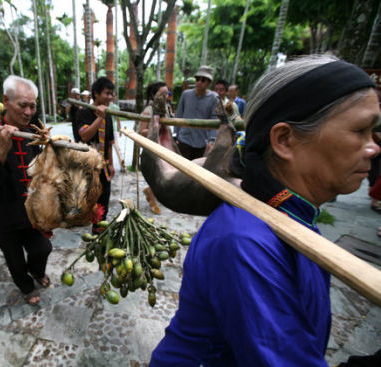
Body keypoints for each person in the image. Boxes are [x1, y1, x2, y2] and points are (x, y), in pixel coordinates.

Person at [150, 55, 381, 366]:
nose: (374, 146)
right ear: (284, 140)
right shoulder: (244, 243)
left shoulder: (294, 214)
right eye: (360, 131)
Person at [0, 75, 52, 306]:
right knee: (15, 259)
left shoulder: (33, 133)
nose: (28, 112)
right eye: (23, 105)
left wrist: (47, 148)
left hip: (30, 212)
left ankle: (36, 271)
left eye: (32, 106)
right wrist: (1, 150)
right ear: (6, 101)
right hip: (3, 215)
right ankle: (26, 286)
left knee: (43, 247)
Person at [73, 77, 116, 234]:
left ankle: (99, 230)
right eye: (107, 93)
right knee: (87, 201)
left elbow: (109, 143)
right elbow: (84, 136)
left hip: (103, 167)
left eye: (112, 94)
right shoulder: (82, 113)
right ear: (96, 94)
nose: (110, 97)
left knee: (103, 201)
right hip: (86, 167)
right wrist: (100, 118)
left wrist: (111, 164)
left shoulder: (109, 116)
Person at [139, 81, 172, 214]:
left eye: (167, 94)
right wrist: (155, 129)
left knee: (162, 172)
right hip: (152, 146)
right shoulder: (148, 111)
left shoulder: (167, 108)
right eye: (162, 94)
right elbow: (141, 131)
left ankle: (151, 192)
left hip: (163, 146)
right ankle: (152, 198)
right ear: (153, 95)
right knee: (154, 172)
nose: (166, 97)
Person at [174, 65, 218, 160]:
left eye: (203, 80)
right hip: (183, 139)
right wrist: (176, 135)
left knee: (194, 170)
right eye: (197, 79)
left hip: (201, 142)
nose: (199, 82)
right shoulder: (186, 94)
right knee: (181, 169)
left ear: (209, 83)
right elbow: (179, 114)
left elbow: (214, 119)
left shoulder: (214, 98)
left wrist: (211, 141)